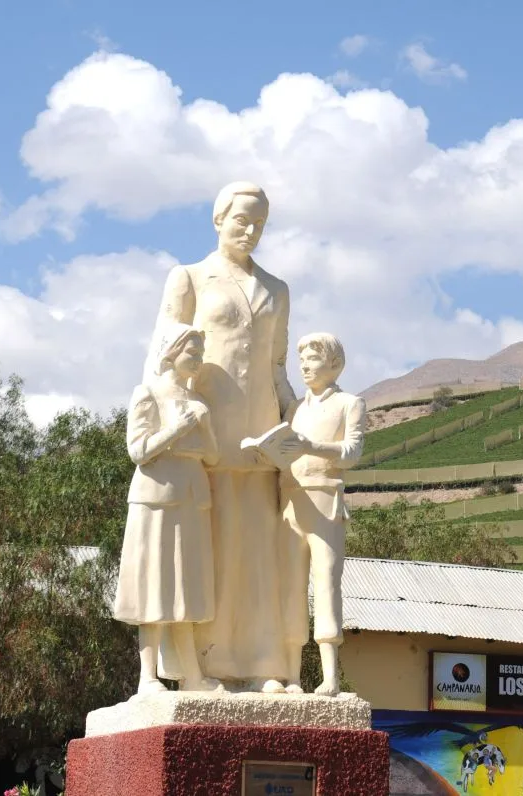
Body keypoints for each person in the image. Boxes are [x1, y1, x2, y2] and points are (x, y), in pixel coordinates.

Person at [154, 181, 298, 691]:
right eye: (242, 220)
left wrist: (297, 410)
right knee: (204, 555)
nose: (250, 230)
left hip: (261, 439)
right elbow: (162, 359)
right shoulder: (190, 278)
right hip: (203, 436)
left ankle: (261, 665)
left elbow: (277, 366)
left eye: (259, 223)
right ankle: (200, 667)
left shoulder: (277, 289)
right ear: (219, 220)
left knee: (258, 554)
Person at [113, 323, 223, 695]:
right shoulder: (147, 394)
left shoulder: (198, 403)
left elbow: (213, 455)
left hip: (192, 496)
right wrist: (176, 430)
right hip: (156, 498)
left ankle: (192, 674)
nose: (198, 360)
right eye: (192, 352)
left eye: (200, 353)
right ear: (172, 352)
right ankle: (148, 677)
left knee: (185, 587)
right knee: (153, 585)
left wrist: (202, 427)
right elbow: (138, 451)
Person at [279, 333, 367, 695]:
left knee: (327, 583)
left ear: (334, 364)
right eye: (301, 361)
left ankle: (330, 676)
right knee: (290, 587)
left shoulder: (350, 403)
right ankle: (292, 675)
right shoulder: (294, 409)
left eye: (312, 359)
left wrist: (311, 446)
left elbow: (352, 451)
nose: (304, 367)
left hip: (325, 501)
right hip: (289, 504)